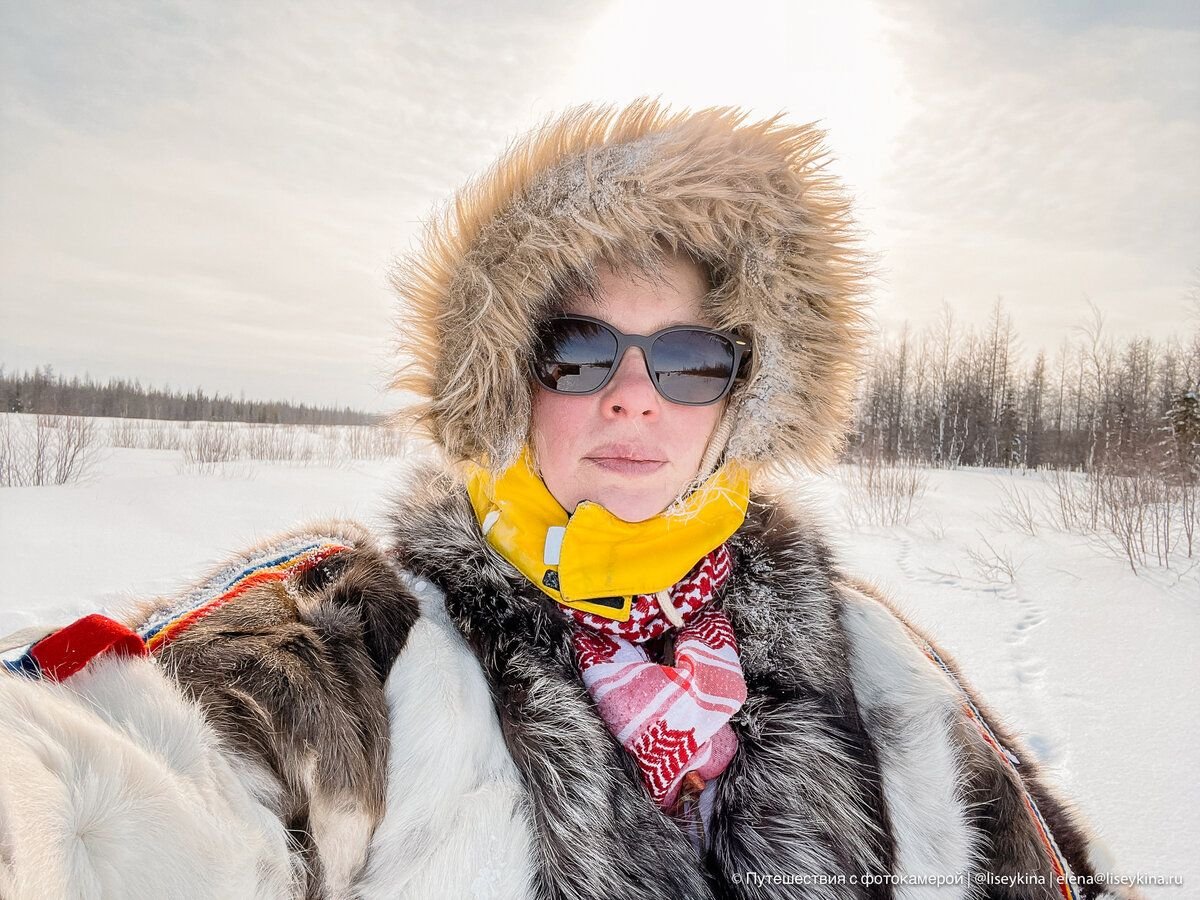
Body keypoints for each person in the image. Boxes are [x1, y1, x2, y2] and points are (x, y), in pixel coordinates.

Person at [0, 101, 1134, 900]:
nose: (637, 398)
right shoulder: (368, 649)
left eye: (689, 360)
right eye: (580, 354)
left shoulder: (867, 660)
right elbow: (125, 786)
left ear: (741, 396)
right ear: (505, 381)